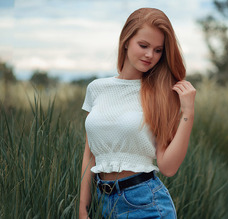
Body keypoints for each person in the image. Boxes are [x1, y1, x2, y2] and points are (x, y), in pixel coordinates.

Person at [79, 7, 196, 219]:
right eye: (143, 45)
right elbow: (89, 155)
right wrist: (82, 208)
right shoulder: (96, 88)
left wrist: (188, 112)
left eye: (158, 50)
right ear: (126, 40)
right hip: (102, 203)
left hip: (146, 205)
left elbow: (168, 167)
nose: (150, 55)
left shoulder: (161, 94)